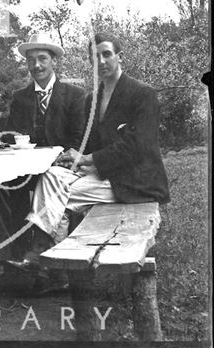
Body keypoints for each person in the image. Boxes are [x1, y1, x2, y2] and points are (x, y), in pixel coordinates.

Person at [9, 32, 170, 272]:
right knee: (52, 176)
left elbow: (139, 146)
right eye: (95, 56)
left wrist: (88, 159)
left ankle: (43, 253)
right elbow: (93, 144)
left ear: (119, 57)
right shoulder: (92, 99)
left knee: (55, 196)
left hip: (136, 183)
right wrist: (77, 160)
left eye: (107, 54)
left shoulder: (142, 94)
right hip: (105, 177)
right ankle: (50, 254)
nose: (102, 61)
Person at [0, 34, 85, 265]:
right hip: (28, 167)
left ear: (54, 61)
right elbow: (12, 134)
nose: (37, 65)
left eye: (42, 59)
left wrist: (63, 156)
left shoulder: (74, 95)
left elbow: (80, 137)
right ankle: (10, 256)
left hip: (60, 168)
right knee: (0, 185)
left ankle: (41, 254)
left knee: (49, 182)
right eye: (31, 60)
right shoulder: (21, 97)